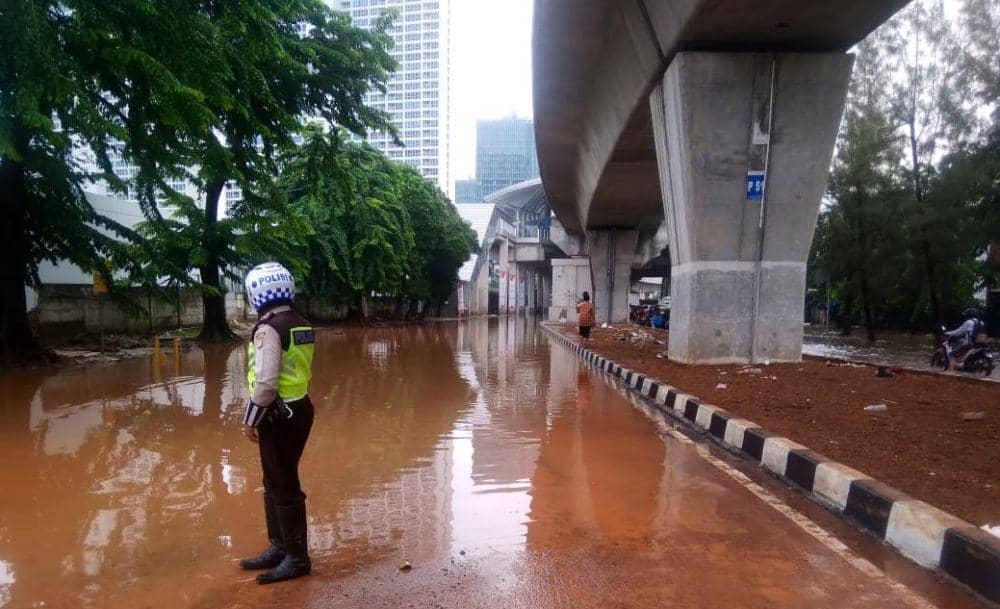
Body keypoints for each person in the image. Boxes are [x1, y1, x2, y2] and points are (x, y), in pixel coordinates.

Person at [239, 262, 316, 584]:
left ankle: (296, 559)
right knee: (275, 479)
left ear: (257, 294)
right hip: (299, 409)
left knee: (282, 482)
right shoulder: (300, 322)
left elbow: (267, 383)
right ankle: (279, 546)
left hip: (278, 414)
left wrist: (250, 419)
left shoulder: (269, 328)